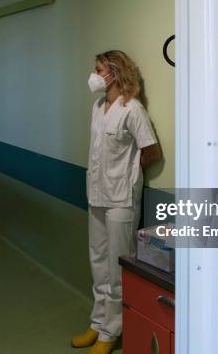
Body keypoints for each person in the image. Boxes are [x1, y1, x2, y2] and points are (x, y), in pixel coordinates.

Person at [72, 50, 162, 354]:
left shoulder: (132, 109)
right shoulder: (99, 106)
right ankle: (98, 323)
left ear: (114, 72)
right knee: (97, 261)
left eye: (99, 69)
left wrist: (129, 174)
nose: (94, 74)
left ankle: (112, 332)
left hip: (121, 198)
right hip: (96, 194)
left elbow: (152, 151)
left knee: (116, 266)